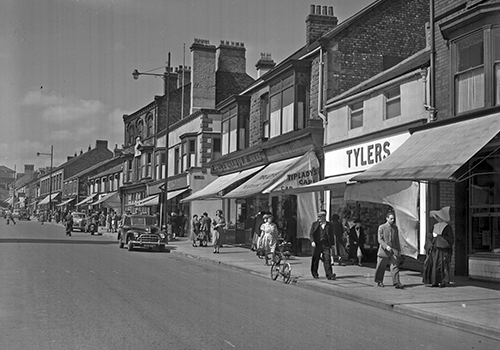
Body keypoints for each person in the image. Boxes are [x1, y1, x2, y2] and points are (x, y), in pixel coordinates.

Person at [423, 206, 454, 288]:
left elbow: (450, 240)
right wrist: (431, 242)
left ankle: (443, 281)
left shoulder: (447, 227)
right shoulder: (435, 226)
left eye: (438, 217)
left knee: (442, 266)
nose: (437, 218)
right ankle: (435, 282)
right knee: (434, 266)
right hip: (435, 250)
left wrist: (438, 237)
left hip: (443, 251)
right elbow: (429, 237)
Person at [374, 212, 404, 289]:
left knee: (395, 266)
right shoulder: (382, 227)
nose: (392, 220)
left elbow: (397, 240)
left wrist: (398, 251)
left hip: (393, 250)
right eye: (391, 218)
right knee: (381, 266)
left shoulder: (395, 228)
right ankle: (379, 281)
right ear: (387, 218)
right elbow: (380, 240)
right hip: (384, 250)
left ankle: (396, 282)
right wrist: (386, 246)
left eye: (393, 218)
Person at [309, 210, 336, 280]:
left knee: (327, 259)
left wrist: (332, 245)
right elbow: (311, 234)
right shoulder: (315, 224)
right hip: (317, 244)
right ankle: (314, 273)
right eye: (318, 217)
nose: (319, 218)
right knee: (315, 259)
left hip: (326, 244)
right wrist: (312, 241)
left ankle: (329, 274)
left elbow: (331, 235)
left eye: (320, 217)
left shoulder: (329, 225)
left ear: (324, 217)